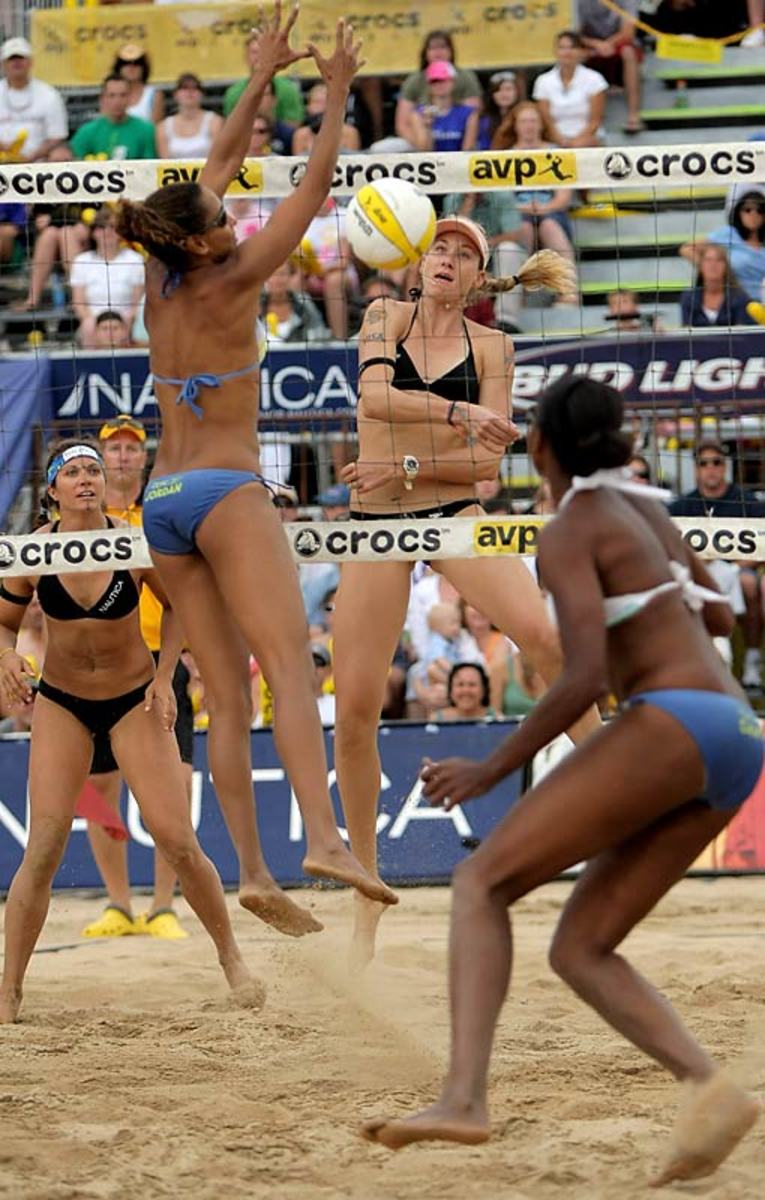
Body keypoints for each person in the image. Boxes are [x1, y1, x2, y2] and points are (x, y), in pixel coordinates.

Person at [363, 377, 762, 1186]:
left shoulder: (570, 528)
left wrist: (491, 766)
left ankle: (463, 1099)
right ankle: (709, 1087)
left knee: (479, 882)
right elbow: (722, 618)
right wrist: (643, 623)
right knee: (579, 948)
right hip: (739, 732)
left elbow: (579, 676)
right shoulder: (647, 509)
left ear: (539, 445)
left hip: (674, 721)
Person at [112, 8, 396, 936]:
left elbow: (219, 161)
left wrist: (261, 76)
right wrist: (336, 91)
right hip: (227, 491)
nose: (233, 214)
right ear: (201, 241)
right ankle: (324, 838)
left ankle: (254, 871)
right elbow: (315, 186)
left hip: (162, 503)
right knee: (286, 670)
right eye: (223, 217)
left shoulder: (163, 276)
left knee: (224, 701)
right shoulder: (233, 277)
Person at [334, 215, 599, 968]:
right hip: (374, 523)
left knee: (543, 635)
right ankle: (366, 888)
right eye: (439, 248)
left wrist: (406, 466)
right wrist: (457, 416)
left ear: (479, 278)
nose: (447, 258)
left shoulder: (493, 348)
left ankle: (615, 776)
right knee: (353, 712)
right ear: (418, 265)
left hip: (448, 511)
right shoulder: (384, 315)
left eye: (463, 253)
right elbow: (374, 399)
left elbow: (482, 472)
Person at [0, 441, 264, 1024]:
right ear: (53, 490)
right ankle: (9, 990)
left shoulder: (133, 542)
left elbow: (179, 607)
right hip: (63, 702)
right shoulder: (34, 549)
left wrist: (165, 676)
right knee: (43, 847)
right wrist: (7, 656)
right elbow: (4, 622)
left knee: (176, 838)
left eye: (93, 470)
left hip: (132, 698)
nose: (87, 479)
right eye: (73, 472)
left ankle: (232, 960)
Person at [77, 415, 197, 940]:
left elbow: (189, 593)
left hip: (160, 659)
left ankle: (164, 906)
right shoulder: (81, 520)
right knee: (98, 787)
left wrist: (194, 656)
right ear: (103, 462)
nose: (123, 455)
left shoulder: (162, 515)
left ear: (145, 459)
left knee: (173, 786)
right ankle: (119, 905)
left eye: (131, 448)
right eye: (114, 449)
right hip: (98, 661)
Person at [668, 439, 765, 688]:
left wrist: (736, 567)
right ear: (695, 469)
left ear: (725, 466)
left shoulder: (748, 502)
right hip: (696, 574)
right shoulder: (681, 506)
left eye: (716, 462)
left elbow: (762, 547)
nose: (711, 468)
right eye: (704, 463)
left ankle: (752, 660)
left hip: (739, 571)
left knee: (748, 584)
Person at [491, 101, 577, 302]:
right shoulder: (504, 156)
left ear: (541, 124)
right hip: (517, 212)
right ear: (515, 125)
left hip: (551, 211)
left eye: (533, 121)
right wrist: (522, 207)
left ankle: (568, 290)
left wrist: (544, 207)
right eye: (524, 121)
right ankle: (516, 292)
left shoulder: (556, 153)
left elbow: (563, 197)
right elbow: (501, 198)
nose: (528, 126)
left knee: (549, 226)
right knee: (524, 228)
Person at [69, 208, 145, 347]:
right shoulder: (81, 261)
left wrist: (125, 321)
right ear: (93, 232)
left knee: (122, 331)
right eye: (102, 227)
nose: (108, 231)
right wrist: (93, 322)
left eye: (113, 227)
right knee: (89, 327)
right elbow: (78, 302)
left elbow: (137, 302)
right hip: (94, 323)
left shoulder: (135, 259)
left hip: (126, 321)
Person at [395, 29, 481, 146]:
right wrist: (420, 142)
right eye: (432, 48)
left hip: (458, 135)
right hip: (418, 137)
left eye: (442, 47)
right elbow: (402, 124)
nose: (438, 52)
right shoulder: (414, 82)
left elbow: (473, 116)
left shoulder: (466, 78)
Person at [680, 192, 765, 303]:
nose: (753, 215)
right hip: (734, 302)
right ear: (739, 213)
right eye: (747, 210)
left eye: (760, 211)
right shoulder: (729, 234)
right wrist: (710, 267)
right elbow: (687, 249)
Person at [532, 31, 608, 149]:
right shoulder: (543, 81)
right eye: (562, 48)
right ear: (555, 51)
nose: (567, 52)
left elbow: (595, 121)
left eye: (572, 47)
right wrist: (561, 141)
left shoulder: (595, 79)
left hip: (587, 139)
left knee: (585, 144)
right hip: (555, 140)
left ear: (581, 51)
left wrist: (574, 143)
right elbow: (546, 121)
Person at [578, 0, 644, 134]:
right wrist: (597, 45)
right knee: (574, 54)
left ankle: (633, 114)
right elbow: (574, 35)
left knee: (629, 53)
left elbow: (628, 33)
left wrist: (607, 45)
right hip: (590, 45)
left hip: (618, 44)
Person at [0, 36, 67, 162]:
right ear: (3, 64)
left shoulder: (49, 94)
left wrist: (30, 157)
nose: (16, 62)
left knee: (60, 154)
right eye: (11, 59)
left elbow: (56, 136)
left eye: (21, 58)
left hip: (39, 162)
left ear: (30, 62)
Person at [223, 28, 304, 124]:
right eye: (254, 52)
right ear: (246, 57)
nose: (259, 57)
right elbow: (230, 127)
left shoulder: (288, 90)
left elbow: (295, 124)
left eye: (264, 52)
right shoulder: (233, 93)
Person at [70, 75, 156, 162]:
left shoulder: (146, 130)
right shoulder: (87, 132)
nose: (117, 101)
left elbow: (150, 165)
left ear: (130, 97)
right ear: (102, 99)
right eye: (111, 95)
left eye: (123, 95)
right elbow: (74, 162)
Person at [408, 62, 478, 155]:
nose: (439, 85)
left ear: (453, 82)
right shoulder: (419, 114)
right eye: (434, 81)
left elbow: (468, 150)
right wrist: (427, 127)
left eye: (443, 80)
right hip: (432, 162)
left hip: (459, 162)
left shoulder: (468, 113)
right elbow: (423, 151)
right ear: (428, 85)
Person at [681, 243, 757, 327]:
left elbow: (743, 332)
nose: (713, 265)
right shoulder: (690, 298)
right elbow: (686, 329)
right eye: (708, 260)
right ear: (701, 266)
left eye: (719, 260)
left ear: (726, 266)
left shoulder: (740, 298)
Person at [157, 73, 223, 161]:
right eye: (184, 88)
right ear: (175, 95)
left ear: (202, 94)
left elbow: (218, 157)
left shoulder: (215, 122)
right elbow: (164, 162)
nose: (190, 92)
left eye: (195, 88)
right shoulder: (163, 127)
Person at [291, 82, 361, 155]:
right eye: (317, 102)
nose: (322, 107)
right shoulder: (301, 135)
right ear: (309, 107)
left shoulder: (349, 133)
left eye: (327, 102)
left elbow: (351, 160)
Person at [112, 44, 165, 125]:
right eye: (126, 63)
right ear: (119, 68)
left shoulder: (154, 95)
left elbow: (154, 128)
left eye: (137, 63)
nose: (131, 67)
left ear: (143, 68)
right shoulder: (111, 94)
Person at [477, 70, 520, 151]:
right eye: (498, 90)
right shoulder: (484, 121)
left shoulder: (525, 117)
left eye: (508, 89)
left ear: (517, 92)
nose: (504, 94)